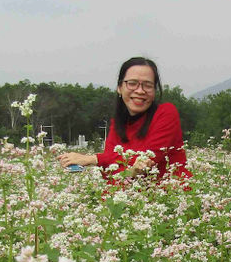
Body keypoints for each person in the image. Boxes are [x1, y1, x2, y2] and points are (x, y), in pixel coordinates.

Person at [58, 57, 189, 181]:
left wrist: (91, 159)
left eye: (148, 85)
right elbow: (109, 171)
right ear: (119, 88)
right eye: (132, 83)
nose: (140, 91)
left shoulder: (166, 113)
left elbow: (148, 158)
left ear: (154, 91)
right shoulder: (118, 124)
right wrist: (129, 170)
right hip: (131, 198)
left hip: (170, 198)